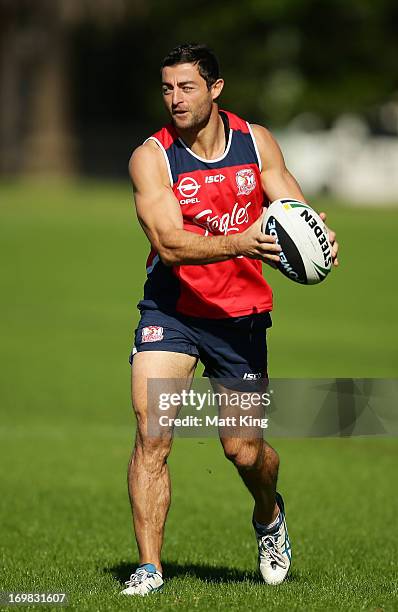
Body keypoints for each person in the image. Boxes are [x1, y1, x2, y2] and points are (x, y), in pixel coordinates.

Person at [122, 43, 339, 596]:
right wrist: (244, 239)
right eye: (168, 88)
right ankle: (149, 569)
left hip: (240, 314)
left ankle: (269, 516)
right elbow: (170, 244)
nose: (175, 98)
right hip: (171, 309)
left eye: (187, 87)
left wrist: (319, 232)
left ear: (215, 88)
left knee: (242, 451)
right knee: (153, 434)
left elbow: (293, 206)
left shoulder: (255, 141)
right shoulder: (152, 157)